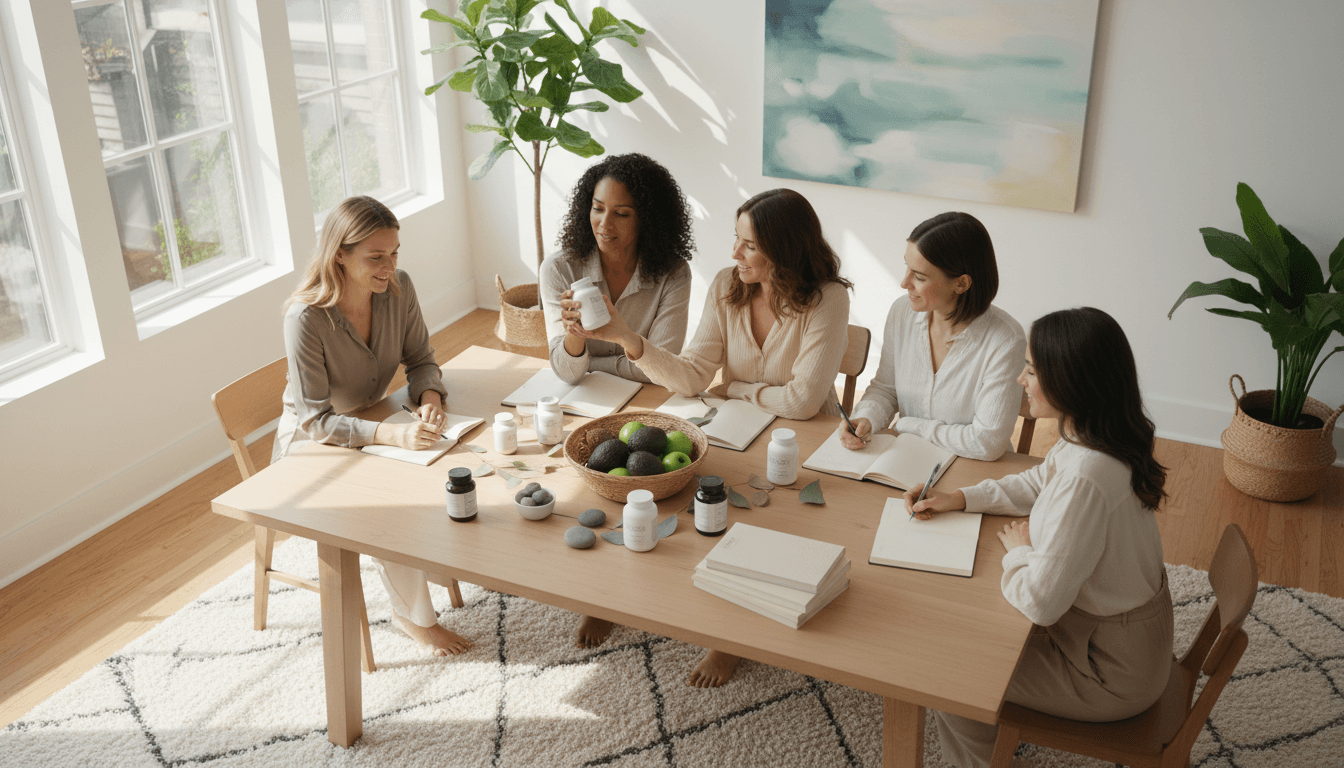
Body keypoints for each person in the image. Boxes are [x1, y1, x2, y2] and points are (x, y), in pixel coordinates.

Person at [575, 188, 853, 686]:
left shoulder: (828, 298)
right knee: (661, 498)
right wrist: (627, 340)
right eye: (736, 240)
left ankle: (728, 640)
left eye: (748, 245)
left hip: (803, 439)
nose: (734, 254)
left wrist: (739, 388)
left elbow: (805, 402)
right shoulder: (728, 285)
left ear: (784, 250)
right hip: (736, 429)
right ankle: (610, 598)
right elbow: (694, 377)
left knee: (754, 524)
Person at [904, 307, 1172, 768]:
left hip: (1107, 670)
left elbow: (1040, 603)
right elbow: (1035, 484)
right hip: (1114, 636)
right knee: (961, 622)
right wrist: (960, 498)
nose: (1020, 380)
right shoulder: (1091, 436)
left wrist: (1021, 552)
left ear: (1071, 381)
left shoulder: (1089, 475)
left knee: (946, 673)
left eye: (1030, 370)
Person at [275, 196, 471, 657]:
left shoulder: (399, 288)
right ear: (339, 254)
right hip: (310, 443)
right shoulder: (305, 318)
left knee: (457, 464)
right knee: (388, 506)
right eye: (376, 257)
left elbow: (421, 360)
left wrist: (428, 399)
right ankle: (415, 619)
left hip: (375, 415)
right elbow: (315, 419)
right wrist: (391, 433)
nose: (390, 266)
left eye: (395, 252)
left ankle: (442, 563)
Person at [839, 212, 1025, 460]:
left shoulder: (1005, 340)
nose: (904, 282)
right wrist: (865, 417)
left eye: (919, 276)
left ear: (961, 284)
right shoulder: (902, 312)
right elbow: (886, 389)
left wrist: (910, 426)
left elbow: (987, 443)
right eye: (907, 266)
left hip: (970, 470)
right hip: (905, 459)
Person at [541, 152, 694, 384]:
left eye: (621, 214)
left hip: (647, 398)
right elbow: (567, 373)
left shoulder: (674, 273)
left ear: (648, 219)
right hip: (582, 397)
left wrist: (595, 360)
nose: (604, 224)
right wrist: (574, 334)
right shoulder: (559, 269)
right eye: (598, 208)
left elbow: (664, 368)